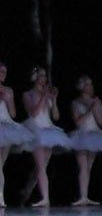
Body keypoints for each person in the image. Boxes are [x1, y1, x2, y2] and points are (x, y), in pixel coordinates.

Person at [22, 67, 71, 207]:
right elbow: (34, 113)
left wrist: (54, 100)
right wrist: (43, 96)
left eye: (45, 75)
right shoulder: (28, 94)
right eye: (41, 75)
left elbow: (56, 116)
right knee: (41, 166)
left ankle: (27, 191)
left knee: (41, 167)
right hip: (35, 130)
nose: (44, 78)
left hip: (49, 131)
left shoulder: (48, 94)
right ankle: (45, 198)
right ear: (35, 77)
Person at [68, 75, 102, 206]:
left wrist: (95, 107)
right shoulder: (75, 102)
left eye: (91, 84)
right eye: (87, 84)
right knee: (83, 166)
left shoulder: (97, 101)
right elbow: (78, 122)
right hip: (81, 135)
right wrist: (90, 109)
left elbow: (100, 122)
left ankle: (85, 196)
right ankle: (82, 196)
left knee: (89, 167)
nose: (91, 87)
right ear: (81, 87)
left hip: (94, 135)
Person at [0, 62, 34, 207]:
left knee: (0, 164)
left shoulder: (8, 90)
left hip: (7, 127)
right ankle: (0, 197)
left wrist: (7, 100)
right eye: (1, 71)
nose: (3, 74)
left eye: (5, 72)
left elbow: (13, 113)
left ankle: (1, 197)